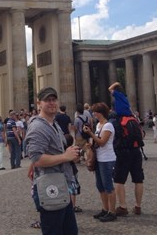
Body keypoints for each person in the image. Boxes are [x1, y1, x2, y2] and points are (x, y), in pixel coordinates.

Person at [25, 87, 80, 234]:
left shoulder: (54, 123)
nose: (51, 103)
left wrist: (71, 155)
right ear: (39, 104)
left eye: (54, 99)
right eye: (47, 100)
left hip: (61, 185)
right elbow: (36, 158)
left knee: (69, 231)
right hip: (51, 188)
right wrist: (65, 157)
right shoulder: (38, 127)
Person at [108, 82, 145, 217]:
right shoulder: (133, 118)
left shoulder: (115, 119)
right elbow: (141, 134)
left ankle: (123, 207)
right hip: (136, 151)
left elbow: (111, 136)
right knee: (138, 179)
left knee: (119, 180)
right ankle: (138, 206)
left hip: (122, 152)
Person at [83, 102, 116, 223]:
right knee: (100, 185)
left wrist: (90, 133)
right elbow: (98, 143)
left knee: (108, 186)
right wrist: (91, 144)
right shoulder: (98, 125)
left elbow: (102, 142)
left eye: (95, 112)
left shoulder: (108, 126)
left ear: (100, 113)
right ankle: (105, 208)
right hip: (99, 158)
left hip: (107, 159)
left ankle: (112, 212)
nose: (93, 114)